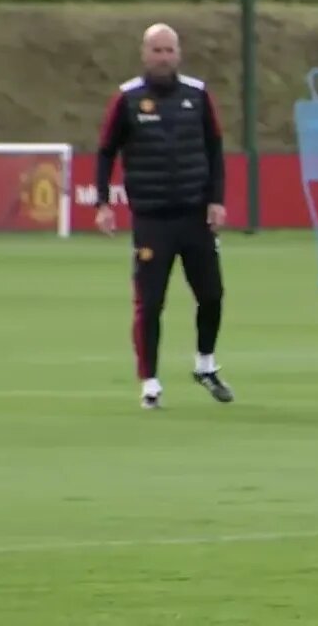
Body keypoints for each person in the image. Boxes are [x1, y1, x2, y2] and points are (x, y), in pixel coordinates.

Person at [95, 23, 233, 410]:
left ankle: (205, 364)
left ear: (178, 53)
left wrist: (216, 200)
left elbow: (215, 149)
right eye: (156, 50)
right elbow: (105, 151)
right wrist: (103, 203)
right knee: (150, 303)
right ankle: (150, 382)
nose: (163, 57)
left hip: (195, 215)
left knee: (212, 295)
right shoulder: (127, 99)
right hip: (152, 220)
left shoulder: (198, 95)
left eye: (169, 50)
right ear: (144, 54)